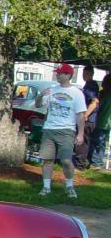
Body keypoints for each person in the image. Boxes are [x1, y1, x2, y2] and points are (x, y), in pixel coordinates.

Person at [35, 63, 86, 198]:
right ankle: (46, 187)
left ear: (68, 75)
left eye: (60, 73)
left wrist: (80, 134)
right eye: (57, 73)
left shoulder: (77, 93)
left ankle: (69, 186)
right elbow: (38, 104)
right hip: (49, 129)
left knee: (66, 160)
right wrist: (40, 95)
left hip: (67, 130)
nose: (57, 75)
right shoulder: (52, 90)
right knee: (47, 159)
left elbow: (81, 114)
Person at [73, 65, 100, 169]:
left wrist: (85, 115)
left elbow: (94, 101)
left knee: (82, 141)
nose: (84, 76)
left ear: (90, 74)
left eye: (86, 74)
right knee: (83, 141)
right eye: (83, 73)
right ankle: (80, 162)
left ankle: (80, 165)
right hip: (88, 119)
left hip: (88, 119)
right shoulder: (89, 85)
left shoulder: (91, 85)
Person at [89, 74, 111, 168]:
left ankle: (95, 161)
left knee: (95, 142)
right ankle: (99, 161)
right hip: (108, 124)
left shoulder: (104, 95)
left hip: (100, 122)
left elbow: (98, 107)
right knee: (102, 144)